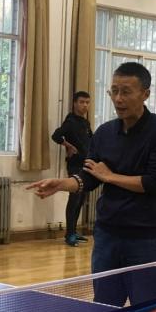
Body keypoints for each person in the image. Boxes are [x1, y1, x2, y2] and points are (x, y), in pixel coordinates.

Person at [28, 62, 156, 306]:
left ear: (145, 94)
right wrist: (62, 184)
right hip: (107, 235)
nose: (118, 99)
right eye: (114, 91)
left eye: (126, 92)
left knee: (148, 311)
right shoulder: (104, 132)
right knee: (104, 308)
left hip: (146, 237)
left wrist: (110, 177)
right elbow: (90, 176)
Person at [51, 90, 93, 246]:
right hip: (75, 165)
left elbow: (91, 140)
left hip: (86, 164)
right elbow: (56, 136)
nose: (85, 105)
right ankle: (69, 235)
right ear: (75, 103)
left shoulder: (85, 122)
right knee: (74, 199)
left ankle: (74, 231)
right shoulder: (70, 121)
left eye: (87, 102)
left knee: (81, 199)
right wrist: (68, 146)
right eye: (82, 102)